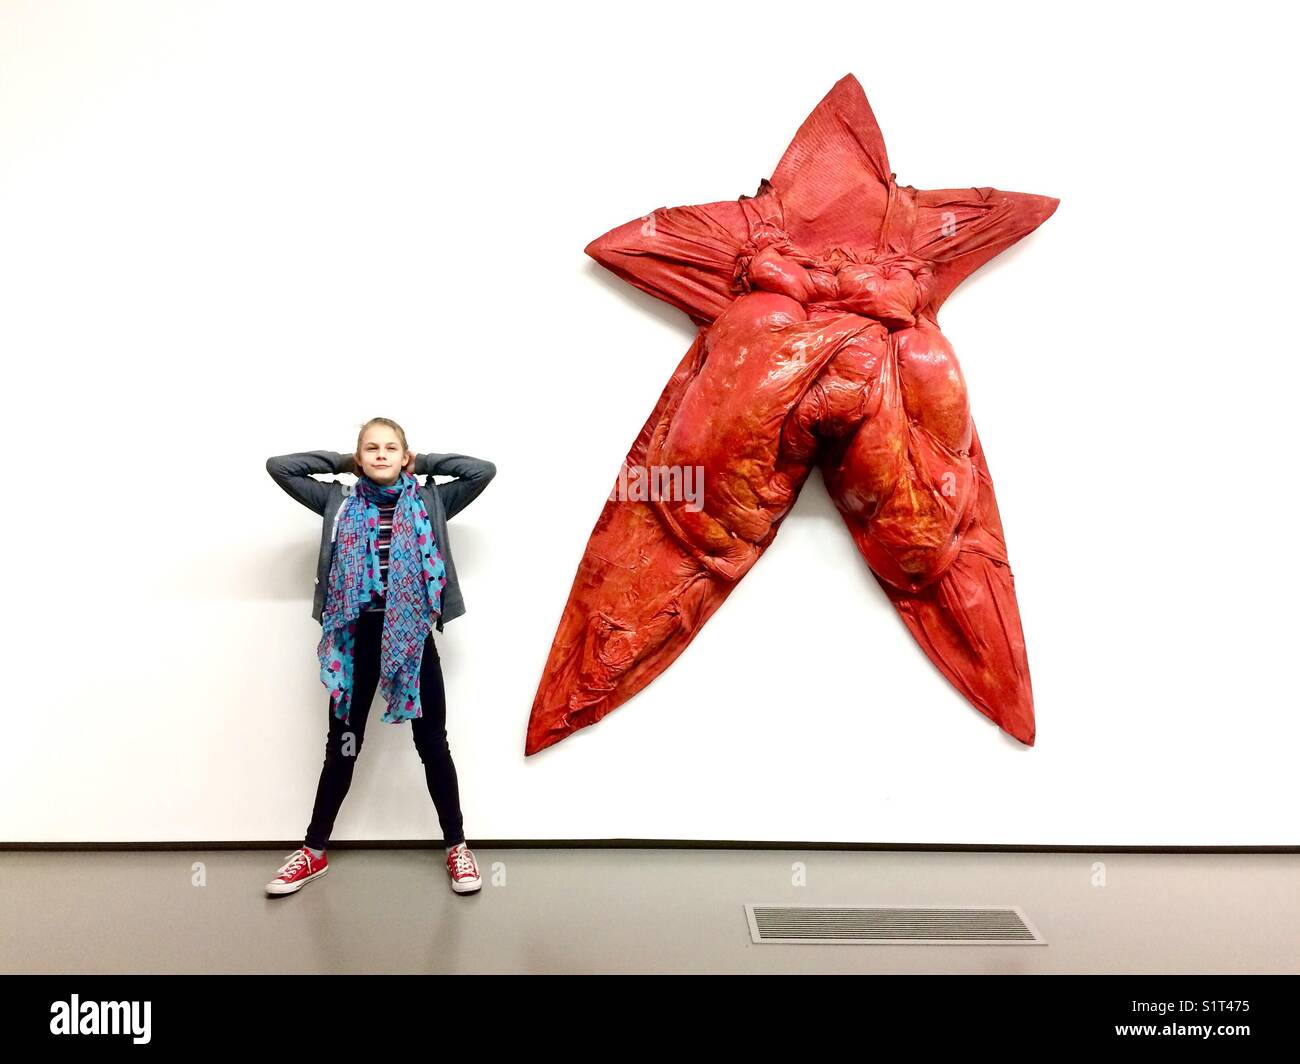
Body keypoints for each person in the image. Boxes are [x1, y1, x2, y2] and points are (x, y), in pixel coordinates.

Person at [262, 417, 496, 896]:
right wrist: (344, 464)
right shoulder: (337, 500)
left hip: (411, 640)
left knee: (433, 743)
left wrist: (422, 462)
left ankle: (457, 846)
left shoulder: (430, 500)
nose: (382, 455)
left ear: (405, 455)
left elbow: (481, 471)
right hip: (355, 640)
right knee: (343, 747)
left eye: (392, 448)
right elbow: (281, 468)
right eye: (372, 448)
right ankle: (313, 851)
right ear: (360, 456)